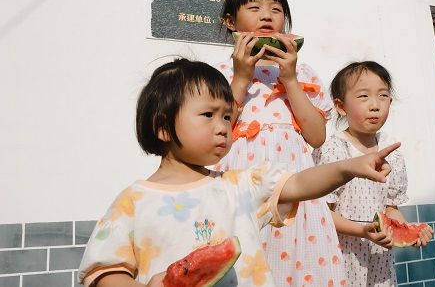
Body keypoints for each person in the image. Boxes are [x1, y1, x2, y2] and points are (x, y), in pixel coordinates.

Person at [77, 58, 400, 287]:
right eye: (208, 115)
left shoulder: (241, 185)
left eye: (227, 116)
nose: (223, 128)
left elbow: (300, 182)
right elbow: (105, 271)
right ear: (163, 127)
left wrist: (349, 167)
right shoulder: (134, 201)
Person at [213, 0, 347, 286]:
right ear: (230, 21)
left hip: (298, 186)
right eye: (255, 6)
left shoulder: (302, 72)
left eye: (276, 8)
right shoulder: (220, 74)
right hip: (242, 187)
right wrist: (242, 77)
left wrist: (289, 80)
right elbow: (218, 130)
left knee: (302, 266)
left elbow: (316, 137)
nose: (267, 15)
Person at [313, 61, 433, 287]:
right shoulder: (332, 150)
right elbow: (321, 213)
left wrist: (409, 231)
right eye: (363, 96)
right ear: (340, 106)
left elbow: (390, 209)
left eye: (383, 96)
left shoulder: (393, 155)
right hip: (341, 254)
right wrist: (362, 231)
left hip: (380, 257)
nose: (375, 105)